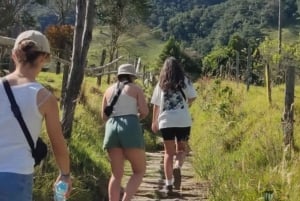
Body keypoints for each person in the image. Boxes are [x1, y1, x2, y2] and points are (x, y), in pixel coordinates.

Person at [0, 30, 72, 201]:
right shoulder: (45, 98)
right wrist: (65, 174)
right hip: (17, 176)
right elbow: (57, 142)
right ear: (45, 58)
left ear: (14, 55)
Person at [101, 64, 149, 201]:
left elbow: (104, 116)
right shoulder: (136, 89)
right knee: (139, 170)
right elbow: (145, 111)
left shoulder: (108, 90)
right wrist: (136, 117)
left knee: (116, 174)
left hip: (111, 127)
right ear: (132, 76)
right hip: (130, 126)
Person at [151, 56, 197, 194]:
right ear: (178, 68)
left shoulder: (161, 83)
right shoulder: (185, 81)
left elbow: (156, 105)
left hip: (166, 122)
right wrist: (187, 104)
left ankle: (169, 184)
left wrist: (154, 121)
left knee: (168, 153)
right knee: (182, 149)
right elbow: (193, 96)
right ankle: (178, 166)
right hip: (183, 121)